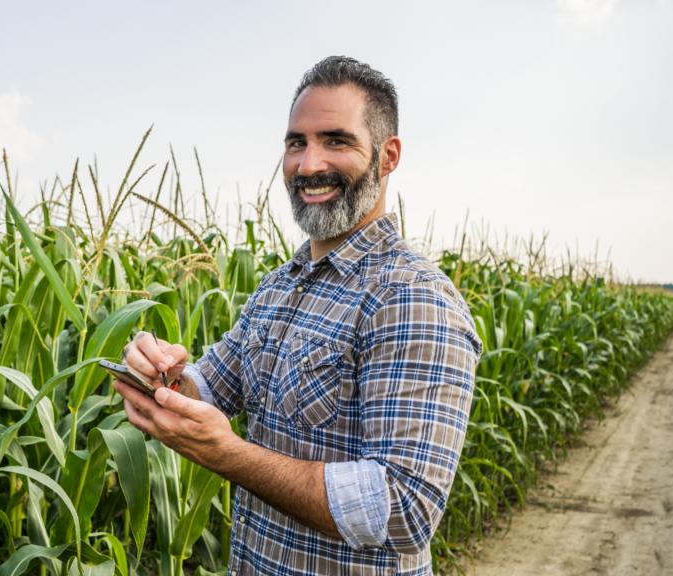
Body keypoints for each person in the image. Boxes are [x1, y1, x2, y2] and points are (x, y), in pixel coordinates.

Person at [113, 56, 483, 576]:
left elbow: (404, 507)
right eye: (296, 143)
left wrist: (229, 455)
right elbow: (214, 383)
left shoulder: (411, 297)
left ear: (387, 155)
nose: (309, 165)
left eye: (336, 141)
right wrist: (162, 375)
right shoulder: (280, 284)